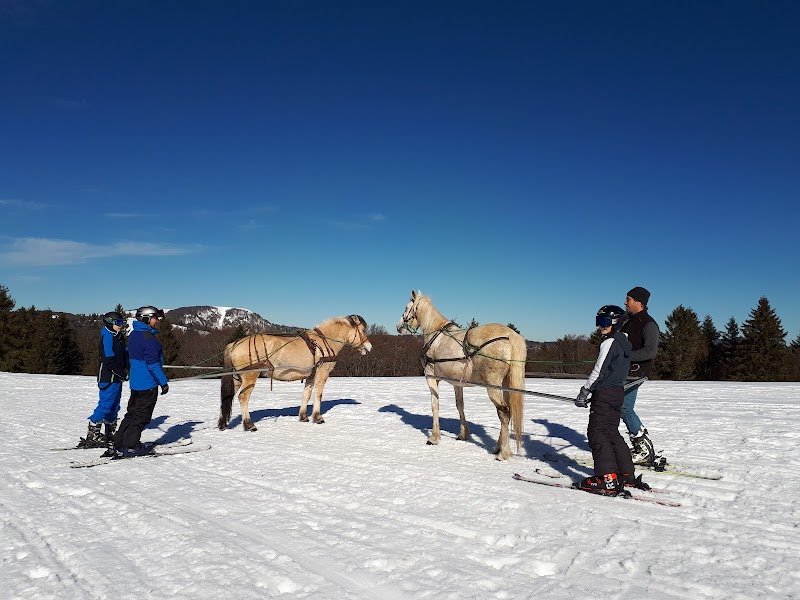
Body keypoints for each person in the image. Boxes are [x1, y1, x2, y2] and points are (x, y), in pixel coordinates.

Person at [573, 305, 642, 496]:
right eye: (598, 322)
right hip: (617, 392)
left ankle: (606, 478)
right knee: (611, 432)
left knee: (597, 433)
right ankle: (625, 474)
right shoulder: (624, 342)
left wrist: (585, 391)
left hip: (605, 393)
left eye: (604, 322)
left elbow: (599, 370)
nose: (600, 326)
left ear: (616, 323)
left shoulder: (609, 342)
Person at [105, 306, 169, 458]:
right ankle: (131, 446)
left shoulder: (134, 334)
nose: (157, 321)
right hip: (148, 384)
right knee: (141, 417)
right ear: (146, 319)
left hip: (136, 384)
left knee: (132, 414)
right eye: (155, 318)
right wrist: (163, 382)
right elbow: (153, 364)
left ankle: (119, 442)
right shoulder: (149, 339)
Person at [621, 286, 660, 465]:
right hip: (624, 372)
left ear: (639, 302)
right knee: (623, 408)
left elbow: (650, 351)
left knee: (624, 409)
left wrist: (625, 355)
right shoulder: (629, 322)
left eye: (628, 299)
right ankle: (641, 446)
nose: (625, 302)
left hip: (635, 374)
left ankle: (642, 450)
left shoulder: (648, 324)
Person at [80, 311, 128, 448]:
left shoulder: (118, 336)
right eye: (119, 323)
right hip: (108, 377)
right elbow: (109, 359)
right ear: (110, 322)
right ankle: (93, 433)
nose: (121, 325)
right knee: (106, 404)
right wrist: (120, 372)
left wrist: (127, 367)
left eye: (122, 323)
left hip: (117, 377)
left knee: (115, 405)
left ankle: (109, 432)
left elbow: (124, 354)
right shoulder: (107, 336)